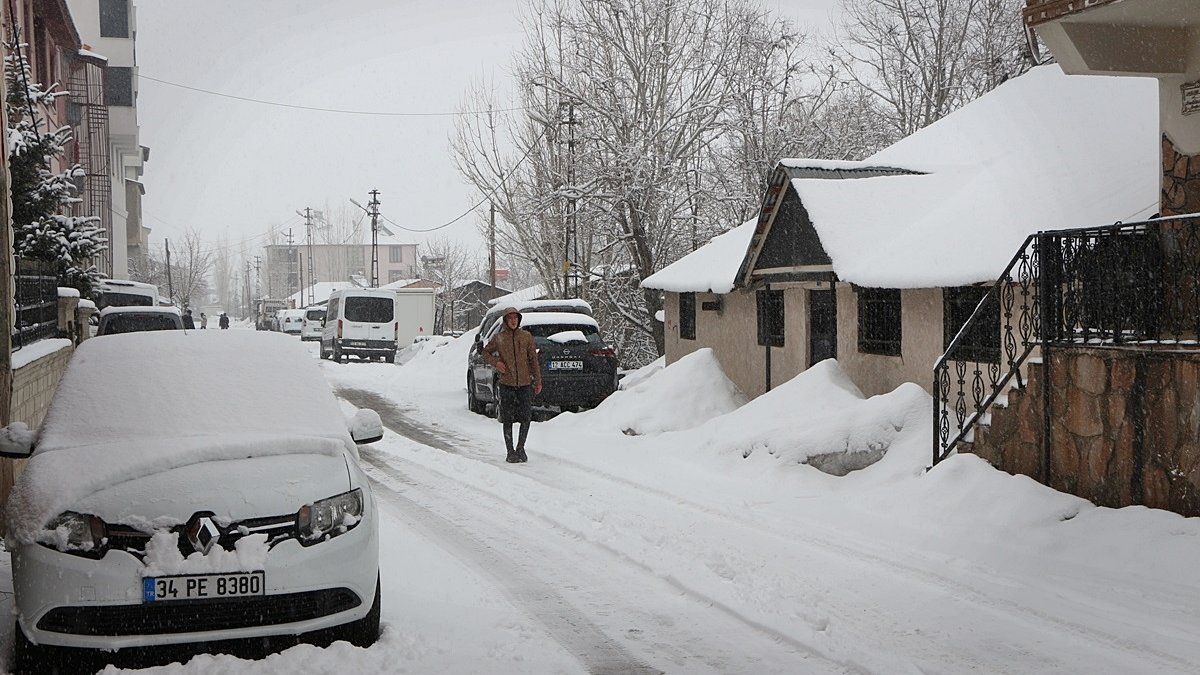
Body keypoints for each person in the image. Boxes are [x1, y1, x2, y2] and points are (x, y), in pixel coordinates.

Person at [481, 307, 542, 463]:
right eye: (510, 318)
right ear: (506, 321)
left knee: (525, 417)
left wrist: (538, 380)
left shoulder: (526, 337)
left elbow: (533, 360)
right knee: (507, 418)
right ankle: (510, 452)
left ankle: (521, 448)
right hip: (506, 383)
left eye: (516, 318)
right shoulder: (499, 338)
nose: (513, 321)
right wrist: (497, 363)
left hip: (524, 383)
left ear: (519, 320)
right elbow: (485, 353)